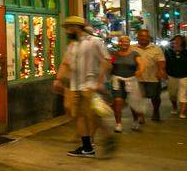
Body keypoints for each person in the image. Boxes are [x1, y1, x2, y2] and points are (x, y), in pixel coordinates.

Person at [54, 16, 111, 158]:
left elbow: (106, 61)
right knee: (79, 116)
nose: (67, 31)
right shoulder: (72, 45)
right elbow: (68, 64)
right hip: (75, 86)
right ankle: (87, 147)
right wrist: (60, 80)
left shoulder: (94, 41)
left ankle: (107, 136)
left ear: (76, 27)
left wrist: (100, 82)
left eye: (68, 28)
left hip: (89, 85)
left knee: (91, 114)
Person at [108, 35, 145, 133]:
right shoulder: (114, 54)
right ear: (118, 43)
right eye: (121, 41)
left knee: (133, 102)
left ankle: (135, 121)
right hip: (117, 81)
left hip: (131, 81)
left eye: (125, 41)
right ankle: (118, 124)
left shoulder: (134, 54)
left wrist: (139, 72)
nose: (123, 43)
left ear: (129, 43)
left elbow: (141, 65)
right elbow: (108, 65)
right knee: (117, 102)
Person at [133, 29, 166, 121]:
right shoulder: (132, 48)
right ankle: (141, 114)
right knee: (139, 97)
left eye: (145, 36)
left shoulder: (156, 48)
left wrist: (160, 70)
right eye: (141, 36)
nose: (143, 38)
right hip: (138, 78)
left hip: (153, 77)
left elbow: (161, 61)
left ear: (149, 38)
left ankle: (156, 111)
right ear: (137, 37)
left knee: (155, 97)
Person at [164, 35, 187, 119]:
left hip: (184, 76)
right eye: (175, 40)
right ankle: (174, 107)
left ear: (182, 42)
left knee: (183, 94)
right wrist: (164, 72)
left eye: (179, 40)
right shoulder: (168, 52)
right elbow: (164, 63)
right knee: (172, 94)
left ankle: (183, 112)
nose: (176, 42)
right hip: (171, 76)